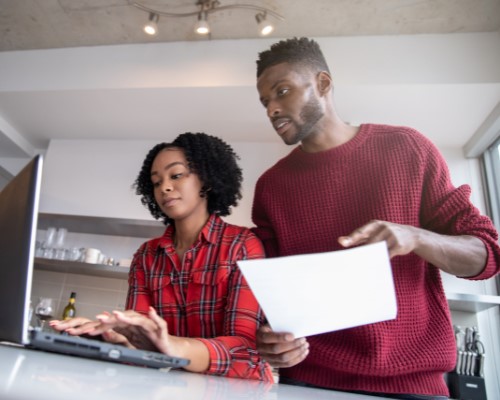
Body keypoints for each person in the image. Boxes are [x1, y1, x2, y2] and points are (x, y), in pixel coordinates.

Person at [251, 37, 500, 398]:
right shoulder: (271, 187)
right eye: (265, 102)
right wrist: (272, 339)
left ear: (323, 83)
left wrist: (416, 237)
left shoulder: (408, 149)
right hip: (308, 384)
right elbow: (271, 300)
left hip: (414, 385)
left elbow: (488, 256)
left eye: (282, 91)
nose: (272, 109)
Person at [51, 132, 273, 382]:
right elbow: (142, 343)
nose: (165, 187)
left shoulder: (242, 246)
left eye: (176, 175)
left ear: (207, 180)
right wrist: (108, 336)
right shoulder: (146, 256)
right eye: (156, 182)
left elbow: (244, 348)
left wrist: (172, 346)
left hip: (243, 389)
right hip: (182, 385)